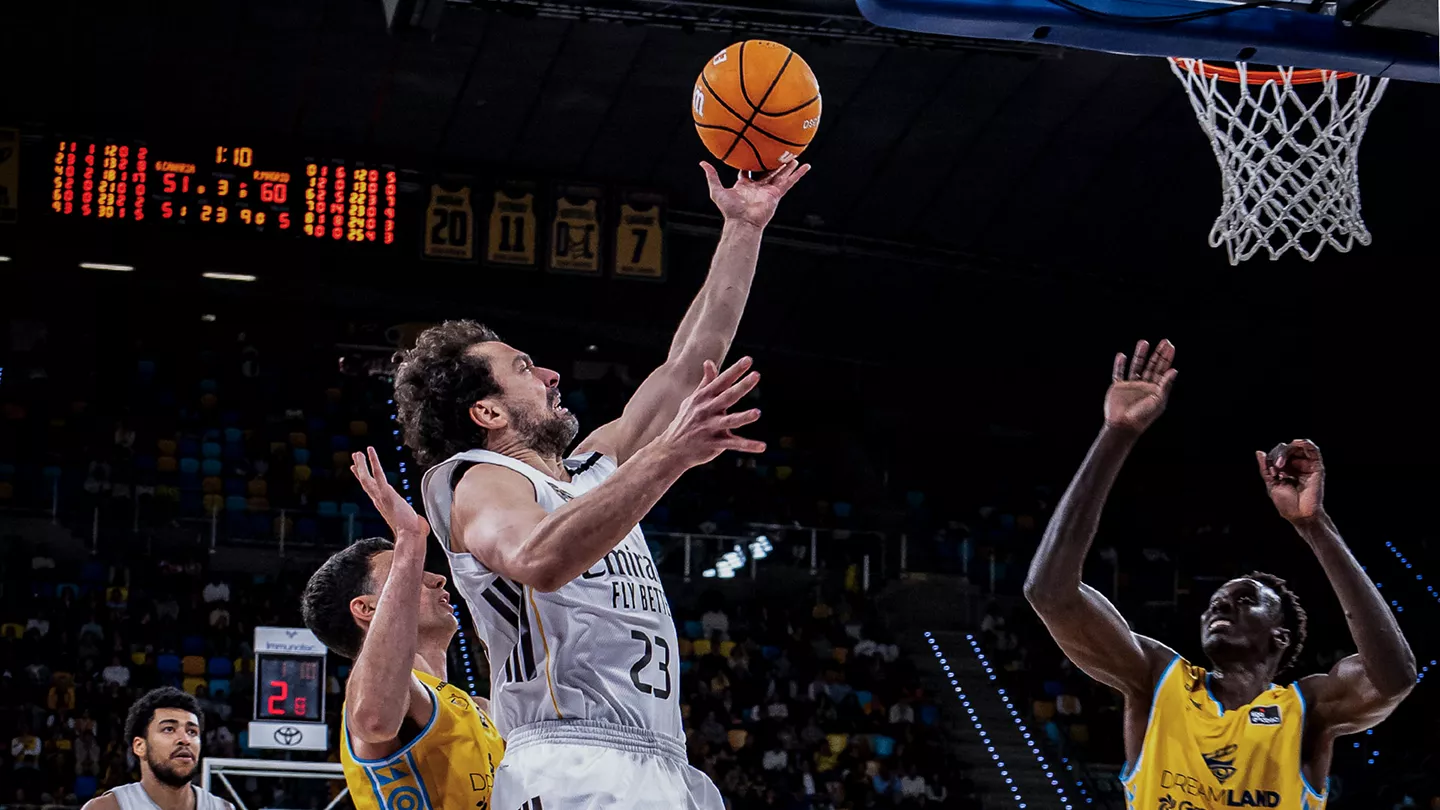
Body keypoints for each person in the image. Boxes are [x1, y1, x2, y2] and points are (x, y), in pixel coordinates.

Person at [402, 159, 809, 809]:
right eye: (526, 369)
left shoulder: (594, 467)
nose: (553, 376)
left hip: (662, 759)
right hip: (571, 762)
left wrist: (744, 226)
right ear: (488, 412)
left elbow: (688, 363)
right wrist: (670, 455)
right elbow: (540, 557)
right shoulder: (479, 481)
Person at [1025, 339, 1417, 810]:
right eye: (1216, 602)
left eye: (1245, 599)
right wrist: (1116, 434)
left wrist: (1315, 526)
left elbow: (1393, 677)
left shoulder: (1306, 710)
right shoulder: (1156, 680)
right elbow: (1050, 592)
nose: (1221, 605)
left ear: (1279, 636)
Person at [301, 448, 505, 810]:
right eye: (404, 573)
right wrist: (409, 540)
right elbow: (376, 719)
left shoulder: (480, 708)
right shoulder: (373, 699)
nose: (435, 578)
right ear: (366, 610)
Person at [80, 688, 230, 810]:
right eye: (169, 729)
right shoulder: (107, 807)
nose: (185, 740)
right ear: (140, 746)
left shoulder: (222, 808)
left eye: (192, 732)